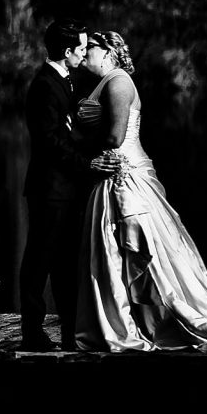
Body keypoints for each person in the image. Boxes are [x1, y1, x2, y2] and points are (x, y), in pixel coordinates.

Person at [72, 31, 207, 352]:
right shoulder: (105, 83)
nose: (85, 52)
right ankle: (120, 319)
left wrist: (77, 145)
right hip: (113, 173)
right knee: (112, 253)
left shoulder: (118, 82)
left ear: (108, 52)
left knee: (136, 250)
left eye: (90, 46)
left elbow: (116, 137)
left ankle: (146, 323)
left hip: (123, 175)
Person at [20, 19, 119, 352]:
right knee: (39, 262)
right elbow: (49, 141)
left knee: (65, 263)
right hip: (49, 190)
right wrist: (87, 163)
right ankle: (32, 334)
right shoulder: (45, 86)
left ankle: (70, 332)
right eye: (80, 48)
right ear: (67, 52)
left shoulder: (69, 81)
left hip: (68, 189)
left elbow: (70, 133)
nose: (84, 53)